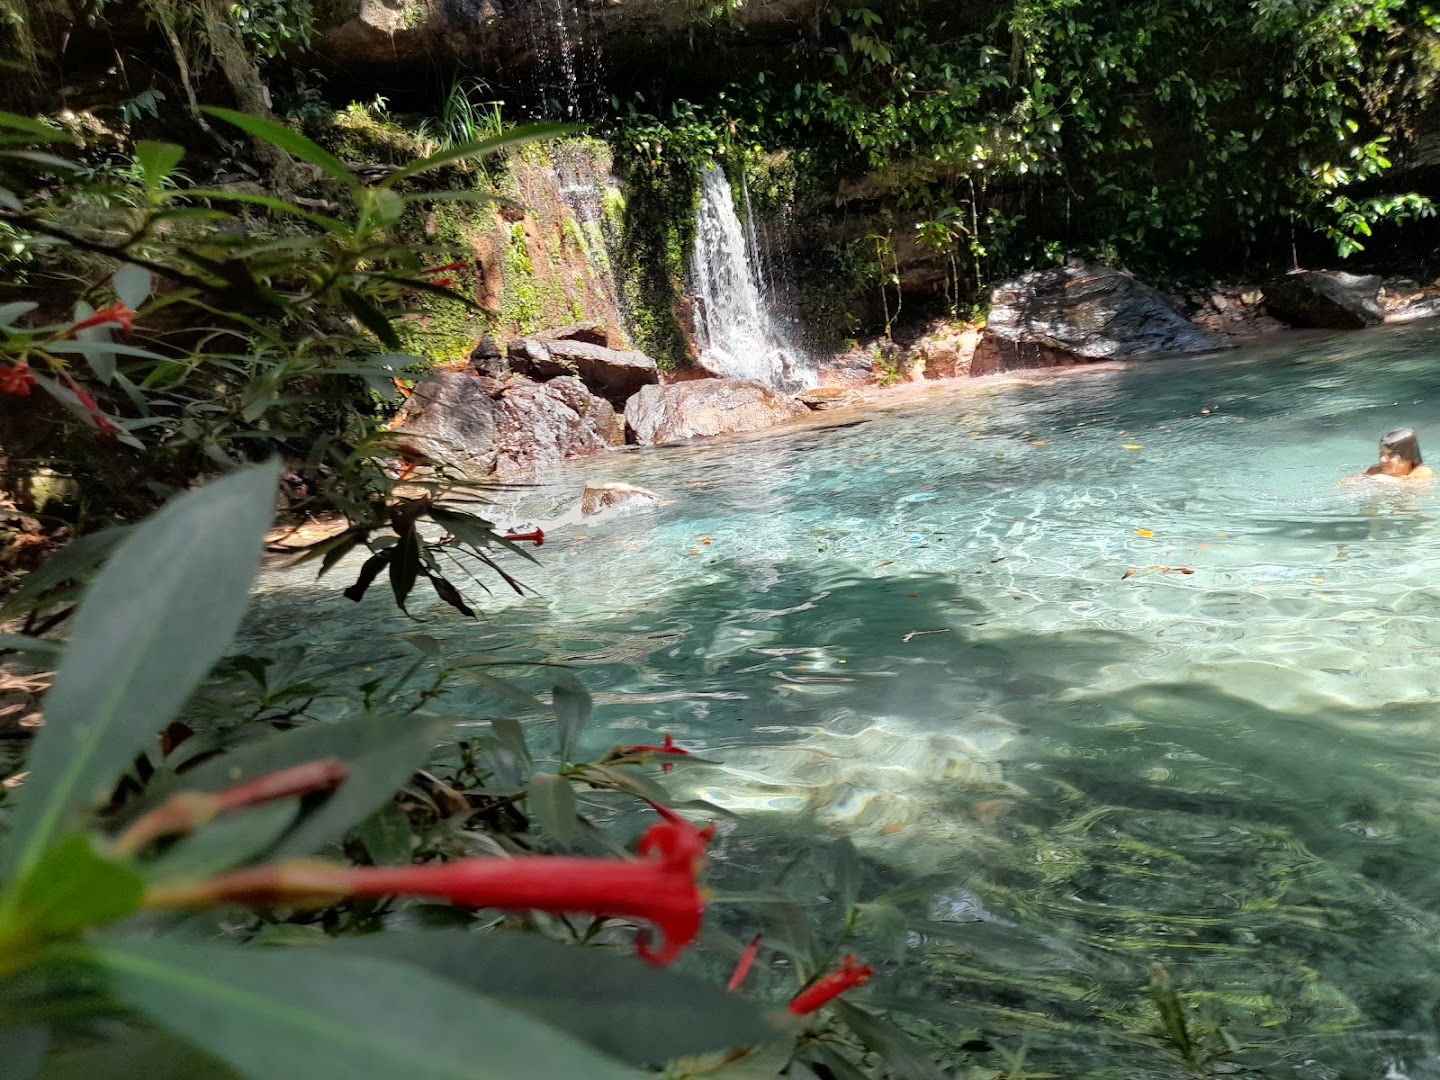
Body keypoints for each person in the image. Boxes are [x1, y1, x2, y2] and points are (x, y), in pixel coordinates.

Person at [1354, 427, 1435, 484]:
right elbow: (1347, 482)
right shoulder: (1375, 471)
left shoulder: (1422, 472)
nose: (1383, 459)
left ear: (1409, 456)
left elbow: (1416, 487)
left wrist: (1387, 480)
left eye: (1391, 455)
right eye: (1382, 453)